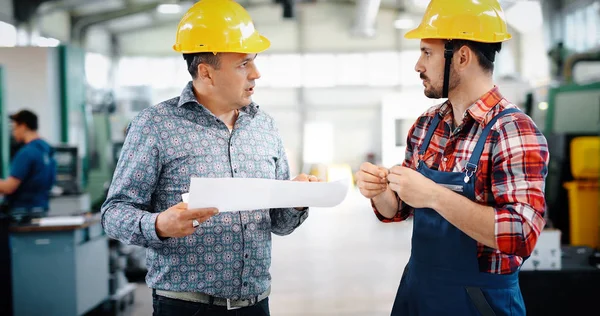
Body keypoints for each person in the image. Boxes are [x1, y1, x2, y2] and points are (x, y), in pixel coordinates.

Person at [101, 0, 318, 315]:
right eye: (243, 63)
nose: (256, 73)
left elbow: (280, 225)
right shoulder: (156, 126)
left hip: (255, 305)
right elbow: (113, 213)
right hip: (185, 307)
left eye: (254, 61)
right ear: (207, 72)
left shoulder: (265, 127)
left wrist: (297, 200)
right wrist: (159, 224)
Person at [355, 0, 549, 315]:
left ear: (460, 57)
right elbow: (399, 209)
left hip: (479, 301)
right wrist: (380, 192)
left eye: (427, 53)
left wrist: (434, 195)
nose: (418, 65)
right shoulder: (426, 125)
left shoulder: (512, 131)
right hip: (418, 292)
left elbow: (520, 234)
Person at [0, 109, 56, 219]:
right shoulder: (47, 150)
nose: (13, 132)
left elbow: (9, 187)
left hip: (22, 214)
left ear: (23, 126)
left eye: (14, 128)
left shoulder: (26, 153)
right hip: (40, 209)